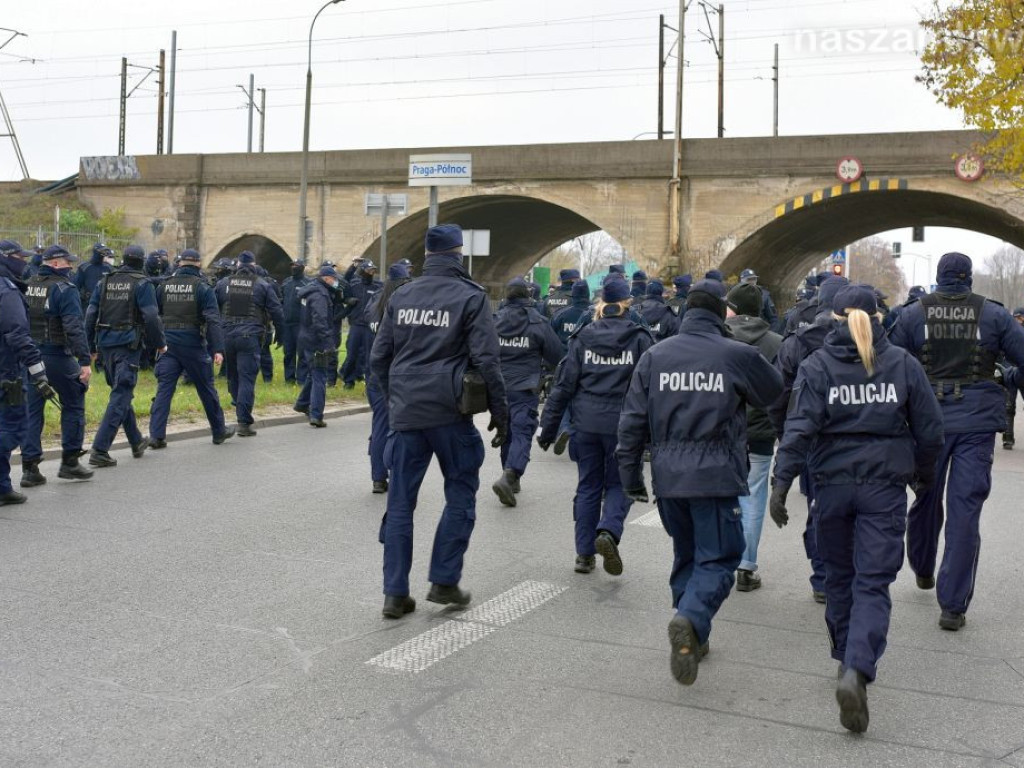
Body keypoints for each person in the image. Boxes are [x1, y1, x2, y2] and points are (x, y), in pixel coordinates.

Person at [769, 284, 943, 733]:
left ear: (833, 318)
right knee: (872, 582)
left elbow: (798, 427)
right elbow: (930, 431)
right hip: (884, 489)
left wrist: (781, 482)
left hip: (831, 487)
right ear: (878, 318)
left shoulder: (817, 365)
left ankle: (845, 657)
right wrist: (923, 477)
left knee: (839, 576)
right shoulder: (902, 363)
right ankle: (857, 666)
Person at [616, 279, 783, 687]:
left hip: (670, 478)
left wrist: (630, 476)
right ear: (720, 314)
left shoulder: (655, 356)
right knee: (721, 557)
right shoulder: (735, 354)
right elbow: (773, 391)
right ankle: (690, 618)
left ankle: (694, 635)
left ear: (685, 312)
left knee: (687, 553)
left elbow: (632, 421)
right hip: (716, 475)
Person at [369, 223, 508, 620]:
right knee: (460, 491)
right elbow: (487, 359)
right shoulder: (471, 297)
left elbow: (379, 358)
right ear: (458, 253)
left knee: (400, 502)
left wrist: (396, 399)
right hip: (450, 412)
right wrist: (501, 413)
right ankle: (444, 579)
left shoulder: (402, 294)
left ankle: (394, 594)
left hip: (407, 414)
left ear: (427, 256)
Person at [888, 252, 1024, 631]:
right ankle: (952, 606)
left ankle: (922, 566)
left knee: (925, 496)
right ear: (969, 278)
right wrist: (1010, 380)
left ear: (939, 276)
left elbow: (889, 363)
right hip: (976, 424)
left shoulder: (913, 315)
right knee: (965, 510)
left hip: (927, 421)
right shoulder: (994, 315)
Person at [538, 276, 654, 575]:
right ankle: (609, 531)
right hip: (624, 426)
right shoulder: (640, 339)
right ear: (628, 303)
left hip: (586, 424)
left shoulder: (584, 336)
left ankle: (584, 555)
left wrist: (548, 428)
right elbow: (652, 389)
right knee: (620, 484)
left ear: (601, 303)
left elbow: (564, 386)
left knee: (588, 486)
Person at [767, 275, 849, 602]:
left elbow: (777, 395)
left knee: (820, 505)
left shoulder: (797, 342)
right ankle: (843, 571)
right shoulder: (869, 339)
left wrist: (786, 437)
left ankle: (822, 576)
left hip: (811, 436)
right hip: (855, 436)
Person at [83, 245, 165, 466]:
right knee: (121, 394)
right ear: (141, 261)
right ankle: (100, 449)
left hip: (105, 344)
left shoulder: (105, 281)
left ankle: (136, 441)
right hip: (128, 345)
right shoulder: (142, 283)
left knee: (121, 392)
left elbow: (91, 313)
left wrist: (89, 345)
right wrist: (160, 344)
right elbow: (151, 316)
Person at [724, 281, 783, 591]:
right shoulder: (776, 342)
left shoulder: (719, 338)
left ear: (733, 309)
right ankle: (746, 567)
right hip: (759, 431)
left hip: (722, 430)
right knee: (753, 497)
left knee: (721, 496)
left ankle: (718, 559)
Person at [20, 245, 94, 486]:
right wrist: (84, 361)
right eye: (67, 262)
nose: (71, 266)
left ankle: (29, 468)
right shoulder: (65, 289)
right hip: (57, 355)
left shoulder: (27, 285)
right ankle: (70, 461)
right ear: (54, 263)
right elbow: (74, 327)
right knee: (74, 401)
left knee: (32, 410)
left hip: (30, 357)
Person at [148, 248, 234, 448]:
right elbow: (213, 320)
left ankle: (156, 436)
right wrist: (218, 349)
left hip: (167, 345)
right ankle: (219, 431)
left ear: (179, 263)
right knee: (206, 388)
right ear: (198, 264)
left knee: (164, 390)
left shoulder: (164, 286)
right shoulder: (202, 287)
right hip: (193, 344)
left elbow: (155, 315)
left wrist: (157, 342)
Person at [491, 277, 564, 507]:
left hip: (498, 387)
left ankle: (510, 478)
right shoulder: (537, 322)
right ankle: (511, 474)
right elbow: (557, 355)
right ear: (527, 295)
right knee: (522, 431)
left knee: (506, 431)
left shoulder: (495, 320)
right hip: (524, 387)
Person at [1, 240, 56, 505]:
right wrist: (39, 373)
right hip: (7, 373)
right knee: (14, 428)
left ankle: (2, 488)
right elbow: (17, 335)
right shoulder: (8, 291)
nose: (24, 262)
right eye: (19, 257)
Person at [215, 250, 285, 436]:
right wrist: (281, 334)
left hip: (227, 336)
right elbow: (277, 311)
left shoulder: (223, 284)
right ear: (254, 266)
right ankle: (244, 422)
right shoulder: (262, 285)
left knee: (233, 376)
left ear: (237, 265)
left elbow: (212, 309)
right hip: (250, 336)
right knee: (246, 378)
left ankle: (239, 404)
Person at [364, 263, 412, 493]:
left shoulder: (374, 304)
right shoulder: (404, 306)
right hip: (399, 374)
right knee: (401, 429)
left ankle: (378, 478)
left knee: (380, 426)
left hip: (375, 374)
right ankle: (397, 473)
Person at [293, 265, 340, 428]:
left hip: (306, 337)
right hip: (316, 340)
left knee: (313, 373)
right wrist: (328, 343)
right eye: (334, 279)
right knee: (320, 376)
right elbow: (320, 321)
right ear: (326, 278)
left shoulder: (310, 290)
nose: (335, 282)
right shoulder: (320, 294)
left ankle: (302, 404)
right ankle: (316, 415)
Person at [339, 258, 382, 390]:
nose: (371, 272)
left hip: (370, 327)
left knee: (369, 356)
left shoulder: (378, 286)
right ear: (362, 271)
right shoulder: (354, 284)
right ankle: (348, 380)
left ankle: (370, 382)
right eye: (369, 270)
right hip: (356, 325)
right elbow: (343, 284)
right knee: (351, 354)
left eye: (373, 270)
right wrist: (348, 300)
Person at [280, 259, 310, 384]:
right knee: (288, 352)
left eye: (296, 265)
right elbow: (281, 300)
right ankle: (289, 378)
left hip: (301, 324)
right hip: (287, 324)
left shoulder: (308, 283)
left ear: (302, 267)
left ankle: (302, 379)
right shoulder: (286, 282)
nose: (293, 267)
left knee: (302, 352)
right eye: (292, 265)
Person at [1004, 307, 1024, 449]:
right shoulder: (1009, 331)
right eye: (1016, 318)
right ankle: (1008, 437)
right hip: (1010, 371)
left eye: (1019, 317)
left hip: (1022, 371)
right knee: (1009, 406)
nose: (1017, 320)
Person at [73, 242, 113, 309]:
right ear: (95, 252)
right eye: (101, 251)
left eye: (104, 251)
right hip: (87, 304)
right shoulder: (84, 267)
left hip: (103, 304)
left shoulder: (108, 268)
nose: (103, 254)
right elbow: (76, 287)